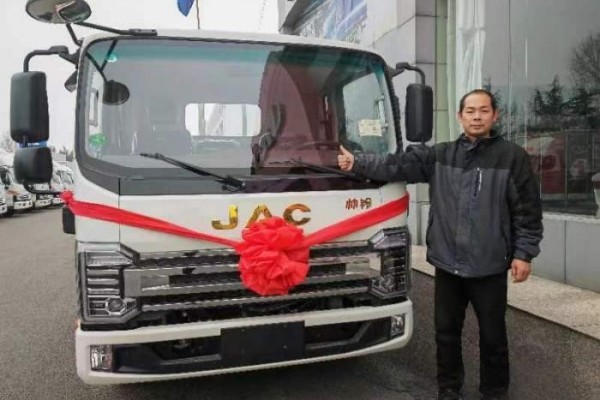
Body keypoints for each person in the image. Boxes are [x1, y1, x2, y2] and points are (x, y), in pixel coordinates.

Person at [338, 89, 543, 400]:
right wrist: (357, 162)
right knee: (446, 334)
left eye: (483, 111)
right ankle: (448, 390)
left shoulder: (512, 157)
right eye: (470, 111)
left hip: (489, 265)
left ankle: (494, 392)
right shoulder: (440, 155)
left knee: (493, 336)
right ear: (460, 116)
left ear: (495, 116)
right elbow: (397, 165)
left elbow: (527, 211)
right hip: (447, 264)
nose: (477, 117)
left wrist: (524, 254)